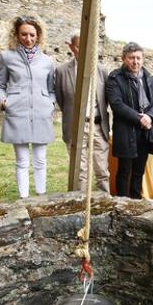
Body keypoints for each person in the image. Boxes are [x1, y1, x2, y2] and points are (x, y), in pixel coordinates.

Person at [0, 16, 56, 198]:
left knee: (40, 160)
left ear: (38, 36)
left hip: (41, 113)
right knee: (22, 161)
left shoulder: (47, 61)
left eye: (32, 35)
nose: (28, 39)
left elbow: (51, 89)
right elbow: (0, 85)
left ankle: (41, 195)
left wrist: (51, 104)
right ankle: (24, 199)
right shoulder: (7, 57)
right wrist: (3, 101)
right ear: (17, 34)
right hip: (17, 113)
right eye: (24, 34)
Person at [55, 31, 110, 192]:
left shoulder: (102, 71)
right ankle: (79, 205)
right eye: (80, 46)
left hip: (98, 126)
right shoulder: (62, 71)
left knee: (102, 170)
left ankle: (105, 203)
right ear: (71, 47)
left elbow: (105, 99)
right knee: (80, 172)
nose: (85, 50)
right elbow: (62, 99)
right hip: (76, 127)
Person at [106, 42, 153, 199]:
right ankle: (122, 205)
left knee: (139, 171)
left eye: (138, 58)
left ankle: (136, 204)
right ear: (124, 58)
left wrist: (150, 117)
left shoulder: (150, 79)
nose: (135, 62)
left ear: (143, 59)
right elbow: (117, 104)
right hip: (126, 131)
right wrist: (140, 119)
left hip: (146, 132)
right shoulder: (115, 77)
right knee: (124, 171)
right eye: (131, 58)